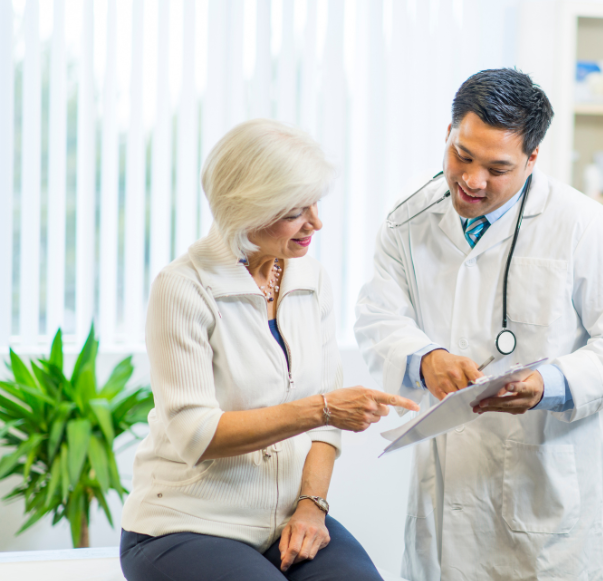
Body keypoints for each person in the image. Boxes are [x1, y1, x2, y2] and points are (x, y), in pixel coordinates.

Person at [354, 69, 603, 580]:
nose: (472, 181)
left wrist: (549, 384)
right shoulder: (408, 222)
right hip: (445, 502)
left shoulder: (584, 226)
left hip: (546, 504)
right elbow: (377, 315)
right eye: (462, 156)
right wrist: (425, 358)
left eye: (497, 168)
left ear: (532, 158)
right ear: (448, 133)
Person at [120, 119, 419, 581]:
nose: (315, 222)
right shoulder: (183, 288)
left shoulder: (310, 279)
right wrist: (321, 409)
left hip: (286, 519)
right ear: (247, 209)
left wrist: (311, 507)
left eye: (315, 203)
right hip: (186, 524)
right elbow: (196, 434)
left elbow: (327, 427)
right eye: (295, 210)